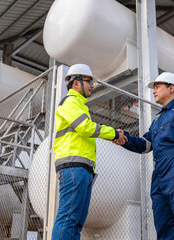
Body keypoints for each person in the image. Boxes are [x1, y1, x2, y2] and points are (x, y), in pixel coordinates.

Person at [114, 72, 174, 239]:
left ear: (171, 88)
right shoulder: (158, 121)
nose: (154, 91)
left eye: (157, 87)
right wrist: (124, 138)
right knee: (164, 229)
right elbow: (145, 145)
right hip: (160, 177)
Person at [52, 63, 127, 240]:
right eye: (89, 81)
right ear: (76, 83)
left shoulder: (79, 105)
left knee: (77, 222)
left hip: (82, 168)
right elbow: (85, 128)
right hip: (73, 166)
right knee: (68, 219)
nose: (92, 85)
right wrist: (114, 133)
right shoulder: (70, 102)